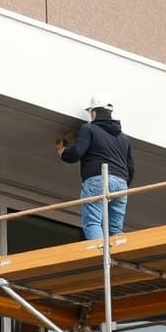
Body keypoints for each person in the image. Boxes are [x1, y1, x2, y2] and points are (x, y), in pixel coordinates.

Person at [56, 94, 134, 240]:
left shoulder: (89, 129)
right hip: (121, 184)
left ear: (93, 112)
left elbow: (77, 153)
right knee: (115, 229)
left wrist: (63, 152)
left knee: (93, 222)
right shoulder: (124, 138)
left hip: (98, 180)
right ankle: (117, 252)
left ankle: (98, 253)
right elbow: (131, 169)